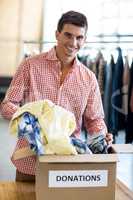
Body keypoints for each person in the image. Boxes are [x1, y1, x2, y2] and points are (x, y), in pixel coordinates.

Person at [0, 11, 112, 179]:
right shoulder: (30, 66)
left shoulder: (89, 78)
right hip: (30, 162)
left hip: (68, 165)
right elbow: (7, 105)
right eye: (68, 35)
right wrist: (30, 122)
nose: (73, 43)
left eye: (79, 37)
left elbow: (95, 120)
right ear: (57, 34)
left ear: (85, 40)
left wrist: (101, 135)